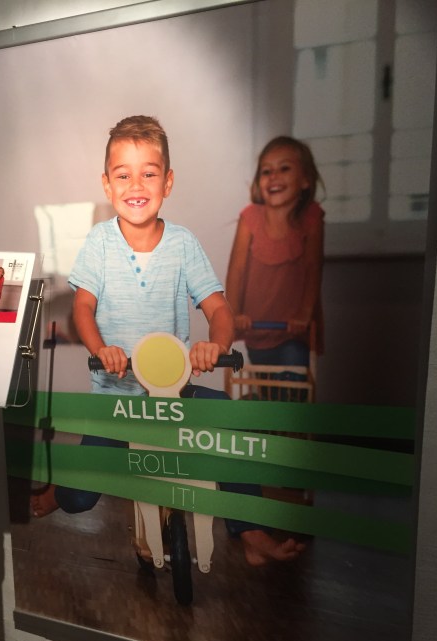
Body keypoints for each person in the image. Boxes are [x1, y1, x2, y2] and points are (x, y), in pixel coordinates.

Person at [31, 115, 305, 566]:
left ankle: (249, 530)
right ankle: (59, 494)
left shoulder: (182, 244)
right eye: (123, 175)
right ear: (107, 184)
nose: (136, 185)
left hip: (172, 395)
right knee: (82, 497)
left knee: (227, 417)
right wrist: (102, 350)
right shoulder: (100, 243)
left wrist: (216, 346)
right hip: (118, 400)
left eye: (149, 173)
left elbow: (220, 311)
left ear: (168, 182)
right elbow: (83, 308)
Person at [225, 136, 325, 376]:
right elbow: (236, 270)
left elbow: (314, 268)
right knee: (265, 385)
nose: (273, 177)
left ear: (305, 180)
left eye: (284, 169)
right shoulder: (250, 218)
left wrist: (304, 314)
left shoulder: (311, 217)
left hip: (292, 331)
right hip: (256, 328)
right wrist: (234, 313)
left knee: (293, 383)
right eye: (266, 171)